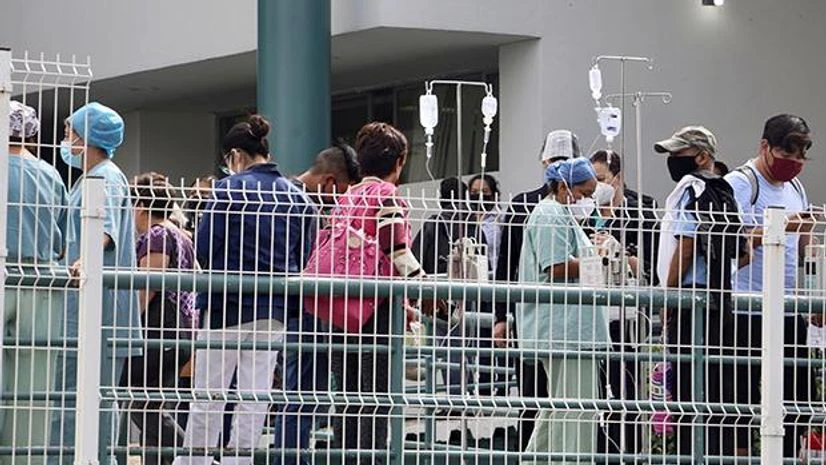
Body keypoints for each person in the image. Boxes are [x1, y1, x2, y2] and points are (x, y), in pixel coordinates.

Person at [172, 115, 314, 465]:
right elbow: (305, 253)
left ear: (235, 155)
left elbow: (205, 248)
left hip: (227, 305)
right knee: (256, 394)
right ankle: (241, 460)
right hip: (274, 311)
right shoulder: (297, 197)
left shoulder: (227, 190)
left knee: (209, 393)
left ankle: (197, 461)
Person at [328, 122, 429, 465]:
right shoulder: (386, 196)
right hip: (379, 307)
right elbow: (397, 250)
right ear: (400, 161)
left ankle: (347, 458)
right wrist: (426, 287)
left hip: (342, 307)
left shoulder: (347, 197)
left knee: (348, 396)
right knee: (376, 396)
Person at [49, 102, 140, 465]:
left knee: (88, 399)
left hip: (98, 313)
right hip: (88, 311)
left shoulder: (106, 177)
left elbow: (102, 231)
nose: (65, 140)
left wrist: (82, 260)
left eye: (71, 133)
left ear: (87, 139)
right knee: (81, 398)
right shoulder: (93, 177)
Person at [723, 114, 816, 457]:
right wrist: (777, 230)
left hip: (788, 306)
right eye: (787, 156)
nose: (793, 164)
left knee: (796, 392)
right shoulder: (741, 184)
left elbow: (802, 245)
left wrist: (811, 289)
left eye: (800, 158)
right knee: (741, 397)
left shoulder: (795, 188)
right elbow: (729, 246)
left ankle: (791, 456)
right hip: (747, 305)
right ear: (764, 146)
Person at [654, 126, 744, 459]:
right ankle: (714, 455)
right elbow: (743, 250)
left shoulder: (692, 189)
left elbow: (687, 246)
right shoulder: (724, 191)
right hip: (720, 299)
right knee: (717, 387)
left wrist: (668, 295)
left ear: (703, 155)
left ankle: (692, 455)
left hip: (691, 301)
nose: (674, 161)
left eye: (680, 154)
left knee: (689, 388)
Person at [270, 142, 360, 465]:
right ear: (330, 183)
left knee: (296, 394)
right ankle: (292, 458)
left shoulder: (279, 194)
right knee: (303, 394)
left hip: (278, 311)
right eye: (341, 193)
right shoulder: (304, 204)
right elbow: (309, 265)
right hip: (302, 312)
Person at [517, 157, 610, 464]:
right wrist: (601, 263)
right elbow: (555, 266)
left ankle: (536, 460)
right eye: (583, 194)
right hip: (564, 332)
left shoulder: (561, 215)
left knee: (562, 410)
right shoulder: (550, 213)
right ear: (562, 187)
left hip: (572, 330)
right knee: (575, 413)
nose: (587, 202)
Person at [493, 129, 581, 447]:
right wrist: (501, 316)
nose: (557, 166)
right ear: (542, 161)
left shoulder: (583, 205)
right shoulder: (524, 204)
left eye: (565, 161)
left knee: (572, 401)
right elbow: (505, 265)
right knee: (533, 396)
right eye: (553, 160)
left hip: (574, 321)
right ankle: (531, 449)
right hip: (533, 316)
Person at [1, 101, 68, 465]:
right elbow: (60, 240)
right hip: (41, 282)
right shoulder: (51, 175)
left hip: (1, 275)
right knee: (34, 384)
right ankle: (25, 458)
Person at [122, 173, 198, 465]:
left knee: (141, 404)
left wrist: (129, 325)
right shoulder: (181, 234)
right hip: (181, 330)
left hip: (161, 328)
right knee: (154, 402)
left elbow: (148, 288)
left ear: (141, 205)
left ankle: (195, 457)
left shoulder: (156, 235)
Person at [411, 177, 478, 397]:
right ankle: (464, 393)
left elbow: (416, 256)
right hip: (470, 294)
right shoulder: (472, 225)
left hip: (438, 296)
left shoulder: (434, 223)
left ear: (441, 197)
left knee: (445, 345)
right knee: (465, 346)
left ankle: (454, 396)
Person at [589, 150, 660, 284]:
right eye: (591, 181)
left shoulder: (640, 217)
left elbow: (654, 270)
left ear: (619, 177)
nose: (596, 186)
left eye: (601, 179)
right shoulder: (586, 215)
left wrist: (619, 252)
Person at [292, 141, 361, 209]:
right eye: (338, 195)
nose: (340, 201)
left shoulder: (288, 196)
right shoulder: (302, 206)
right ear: (329, 180)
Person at [468, 173, 503, 273]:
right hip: (471, 276)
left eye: (484, 191)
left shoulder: (501, 218)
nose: (479, 195)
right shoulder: (464, 219)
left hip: (495, 275)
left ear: (493, 194)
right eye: (474, 192)